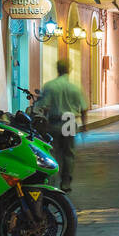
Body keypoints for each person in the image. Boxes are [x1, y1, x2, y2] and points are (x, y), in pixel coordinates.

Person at [33, 59, 88, 192]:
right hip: (69, 121)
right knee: (68, 153)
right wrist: (85, 126)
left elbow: (42, 106)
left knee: (52, 152)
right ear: (69, 69)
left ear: (57, 69)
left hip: (54, 121)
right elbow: (84, 109)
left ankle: (51, 182)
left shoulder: (50, 86)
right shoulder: (75, 88)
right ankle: (66, 183)